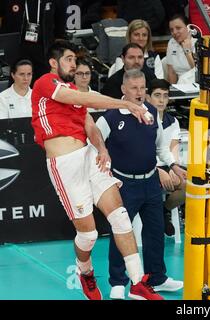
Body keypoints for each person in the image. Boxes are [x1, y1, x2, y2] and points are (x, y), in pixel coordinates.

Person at [30, 39, 162, 300]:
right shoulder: (46, 83)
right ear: (54, 63)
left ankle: (137, 282)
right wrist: (126, 104)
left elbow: (90, 124)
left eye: (74, 60)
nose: (73, 63)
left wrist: (101, 148)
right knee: (88, 234)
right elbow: (80, 96)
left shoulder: (74, 92)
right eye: (68, 59)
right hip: (65, 165)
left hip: (89, 157)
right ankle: (85, 272)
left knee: (121, 217)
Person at [95, 70, 185, 300]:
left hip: (151, 183)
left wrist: (173, 165)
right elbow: (93, 144)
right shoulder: (110, 117)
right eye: (134, 88)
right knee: (122, 232)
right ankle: (117, 282)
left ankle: (157, 278)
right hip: (124, 184)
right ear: (124, 90)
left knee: (155, 232)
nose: (139, 92)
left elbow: (160, 148)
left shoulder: (153, 112)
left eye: (142, 88)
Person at [0, 0, 69, 82]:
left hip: (44, 52)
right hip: (18, 51)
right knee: (19, 85)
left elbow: (60, 24)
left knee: (44, 85)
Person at [151, 78, 186, 237]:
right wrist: (158, 170)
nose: (161, 100)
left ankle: (162, 210)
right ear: (148, 97)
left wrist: (174, 168)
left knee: (188, 185)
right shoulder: (142, 118)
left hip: (167, 164)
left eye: (165, 96)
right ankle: (157, 215)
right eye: (157, 95)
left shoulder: (173, 122)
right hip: (147, 167)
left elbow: (173, 148)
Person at [166, 14, 197, 84]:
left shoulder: (198, 42)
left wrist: (187, 51)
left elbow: (197, 73)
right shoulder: (171, 43)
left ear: (188, 28)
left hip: (196, 83)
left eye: (178, 28)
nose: (174, 32)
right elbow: (172, 72)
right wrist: (173, 91)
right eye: (171, 30)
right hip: (180, 85)